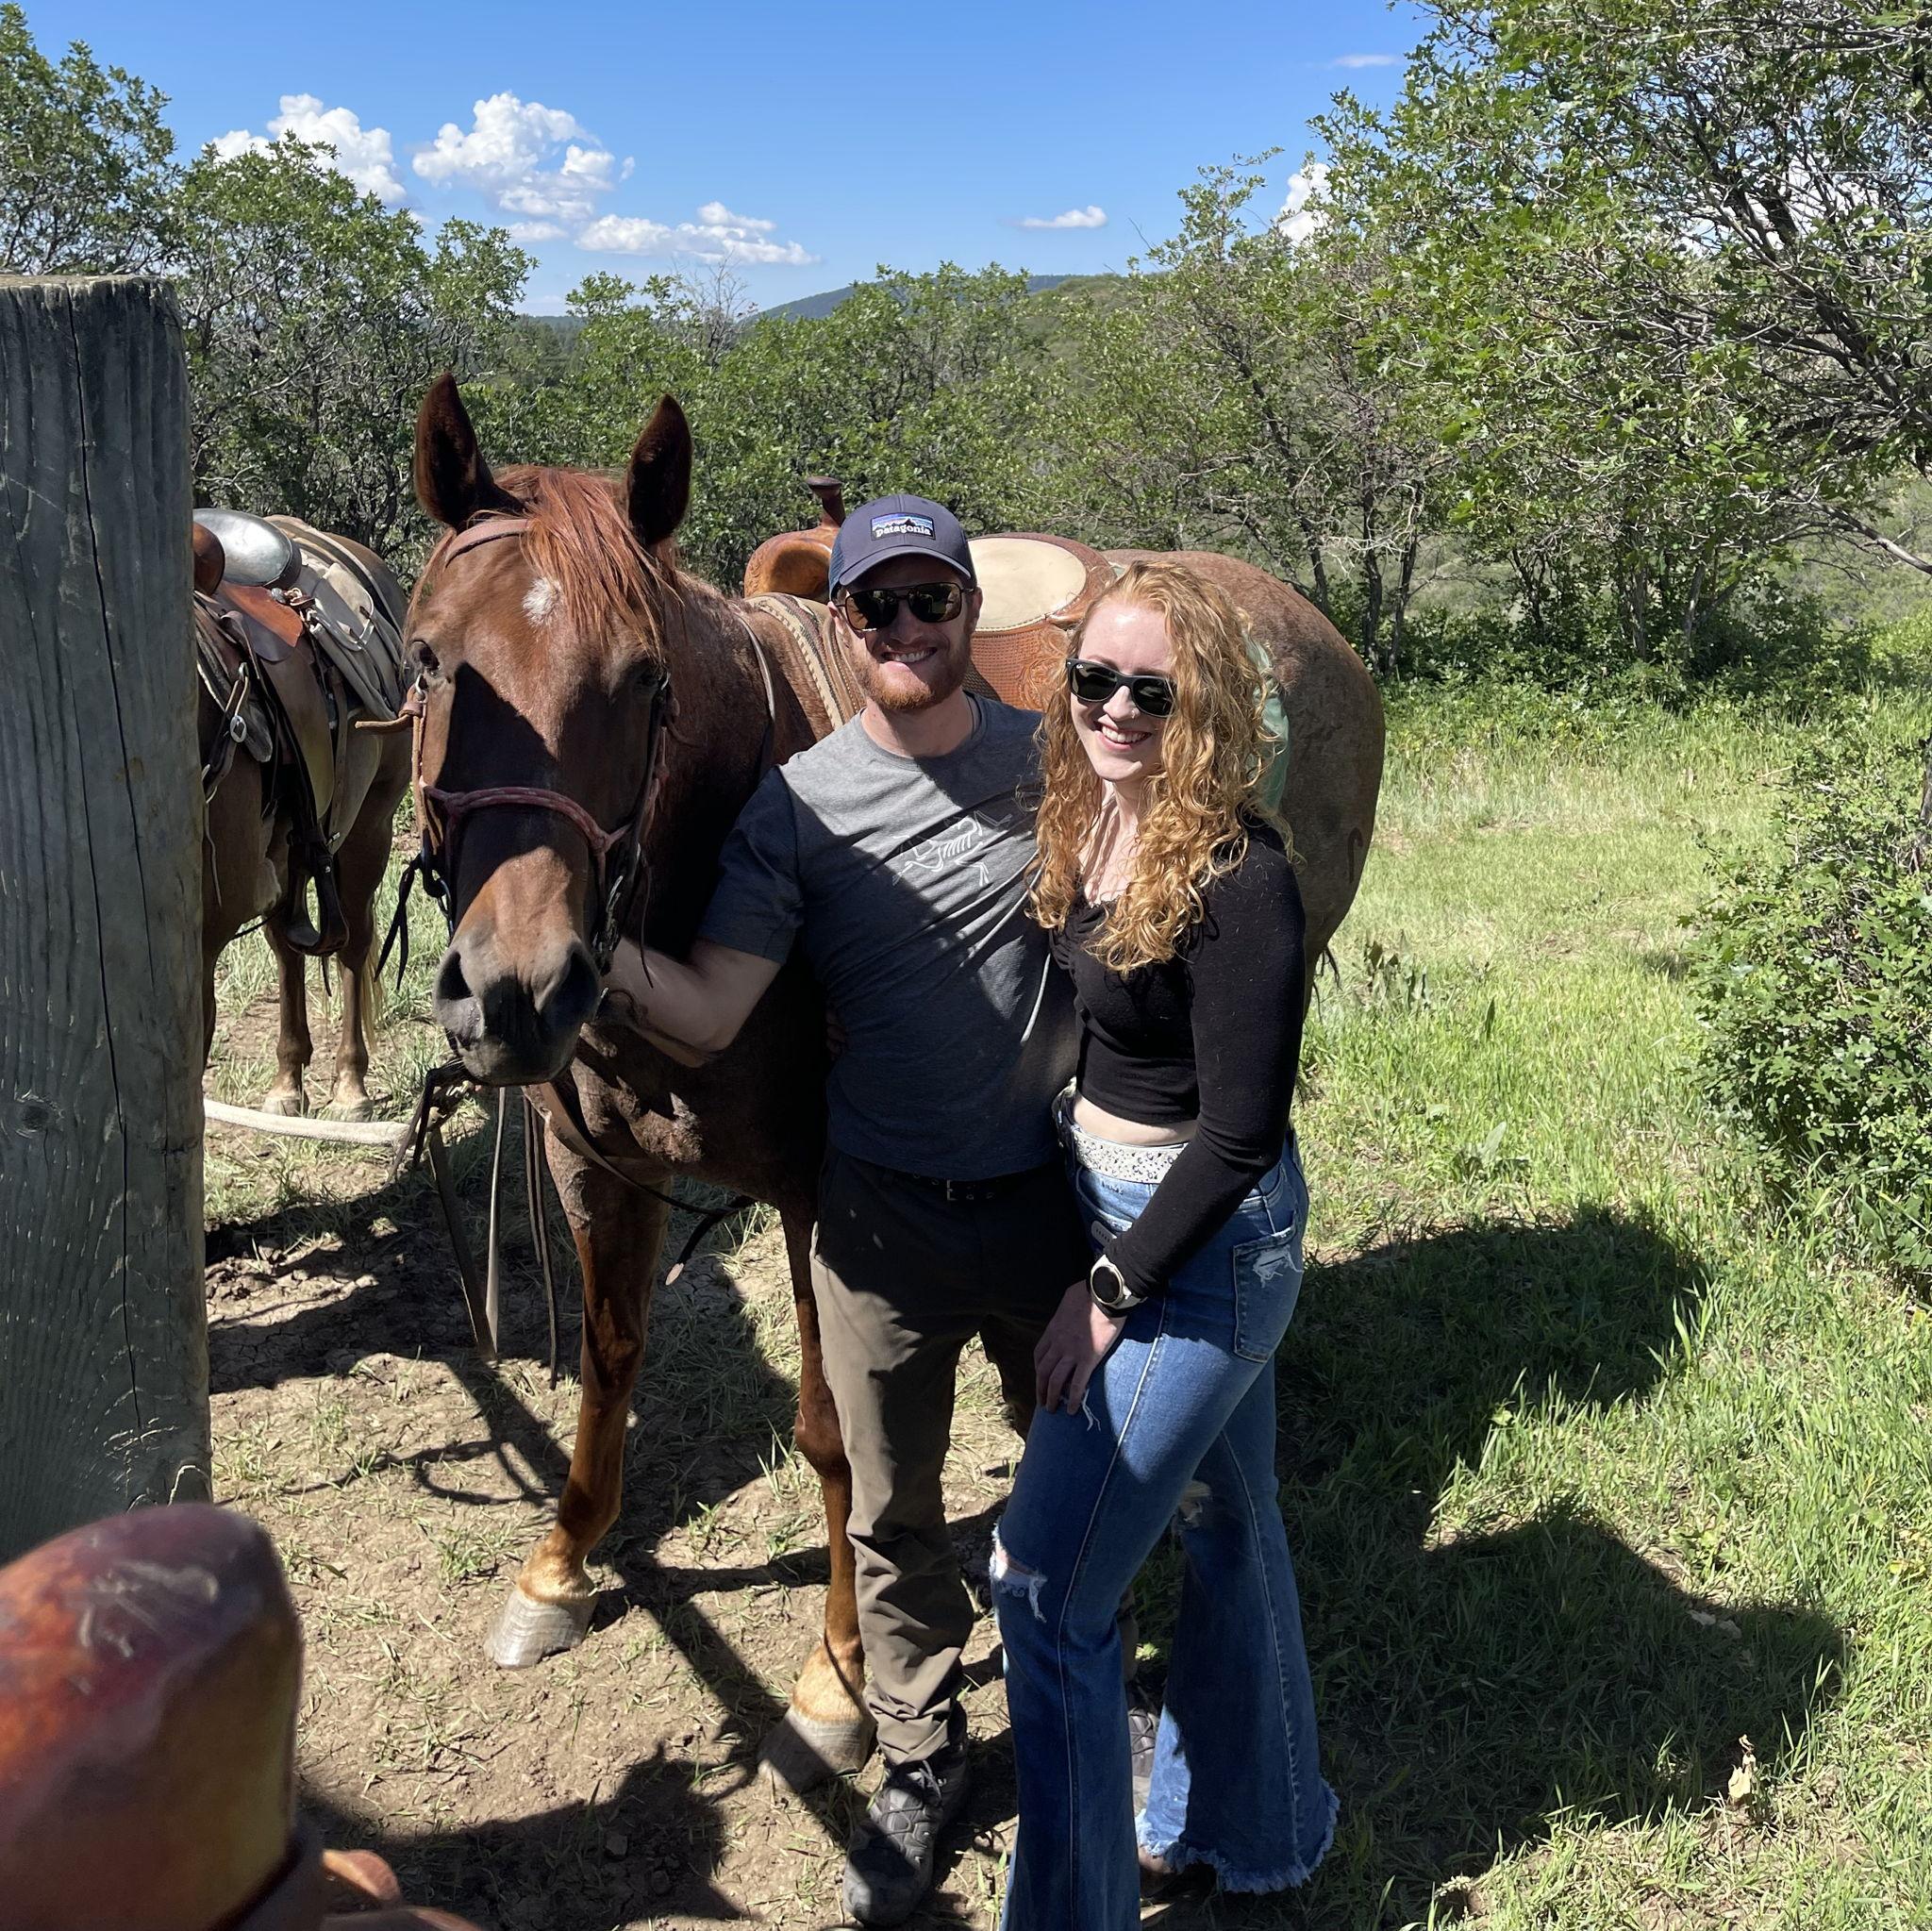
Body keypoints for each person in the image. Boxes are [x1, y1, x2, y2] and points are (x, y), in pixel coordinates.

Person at [602, 495, 1089, 1927]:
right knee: (889, 1514)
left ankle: (1077, 1706)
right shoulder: (799, 806)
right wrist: (583, 955)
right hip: (878, 1224)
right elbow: (710, 1007)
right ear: (847, 622)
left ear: (968, 616)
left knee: (1078, 1480)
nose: (908, 631)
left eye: (933, 602)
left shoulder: (1052, 763)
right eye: (878, 607)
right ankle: (924, 1756)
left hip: (1045, 1206)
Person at [991, 559, 1337, 1929]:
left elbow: (1242, 1133)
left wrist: (1110, 1293)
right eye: (1096, 681)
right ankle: (1257, 1826)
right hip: (1118, 1210)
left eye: (1153, 688)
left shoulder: (1245, 875)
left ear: (1202, 704)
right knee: (1235, 1527)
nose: (1118, 709)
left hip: (1205, 1252)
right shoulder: (1090, 819)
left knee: (1044, 1588)